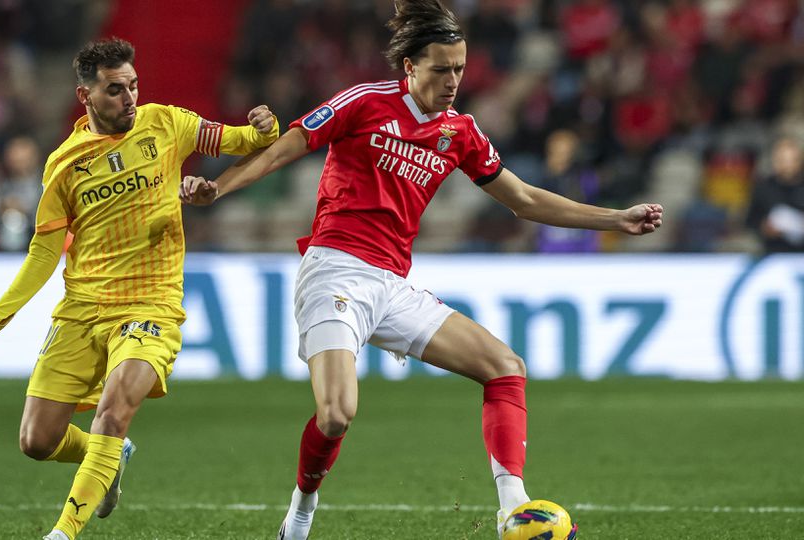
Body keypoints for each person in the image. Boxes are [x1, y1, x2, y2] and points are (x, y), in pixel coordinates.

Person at [180, 2, 662, 539]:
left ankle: (513, 507)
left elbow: (523, 199)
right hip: (335, 270)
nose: (453, 79)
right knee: (337, 413)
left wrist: (616, 218)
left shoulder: (461, 132)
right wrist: (217, 188)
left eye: (459, 67)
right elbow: (283, 150)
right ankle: (300, 512)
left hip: (392, 285)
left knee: (505, 366)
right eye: (440, 68)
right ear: (409, 67)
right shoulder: (364, 102)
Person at [0, 38, 278, 540]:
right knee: (36, 440)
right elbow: (45, 252)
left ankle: (63, 532)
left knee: (112, 414)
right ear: (85, 95)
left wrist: (265, 126)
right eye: (115, 90)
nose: (130, 98)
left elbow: (245, 141)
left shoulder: (166, 124)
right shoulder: (64, 165)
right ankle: (111, 459)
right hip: (83, 308)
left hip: (150, 303)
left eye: (133, 86)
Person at [745, 136, 804, 253]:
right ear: (774, 161)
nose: (787, 165)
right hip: (772, 251)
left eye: (792, 160)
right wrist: (764, 227)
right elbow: (750, 220)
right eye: (782, 160)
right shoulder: (763, 187)